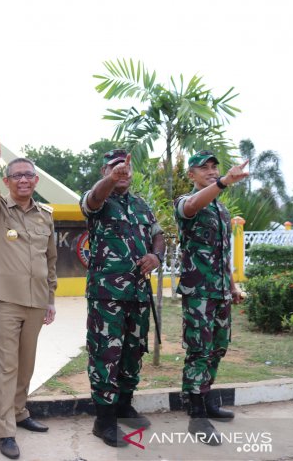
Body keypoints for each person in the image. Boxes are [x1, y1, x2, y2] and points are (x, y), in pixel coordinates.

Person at [80, 149, 166, 448]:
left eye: (127, 167)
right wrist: (109, 180)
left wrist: (156, 255)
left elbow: (158, 234)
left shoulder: (141, 205)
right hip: (107, 296)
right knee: (106, 354)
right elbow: (92, 200)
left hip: (138, 293)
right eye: (116, 167)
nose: (123, 171)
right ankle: (103, 419)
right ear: (105, 171)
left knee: (133, 352)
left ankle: (124, 405)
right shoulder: (98, 201)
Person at [0, 137, 57, 460]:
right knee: (5, 367)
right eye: (17, 176)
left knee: (26, 365)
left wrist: (51, 299)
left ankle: (20, 412)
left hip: (37, 300)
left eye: (29, 175)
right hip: (5, 301)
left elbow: (50, 260)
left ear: (36, 180)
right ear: (9, 181)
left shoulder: (45, 215)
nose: (24, 180)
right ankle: (5, 431)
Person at [174, 150, 249, 446]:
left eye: (213, 166)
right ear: (191, 175)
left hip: (219, 291)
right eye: (202, 167)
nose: (210, 170)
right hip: (198, 292)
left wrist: (232, 287)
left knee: (218, 346)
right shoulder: (185, 202)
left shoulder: (221, 210)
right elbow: (193, 203)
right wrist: (224, 181)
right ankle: (196, 415)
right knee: (198, 348)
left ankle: (205, 399)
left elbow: (223, 255)